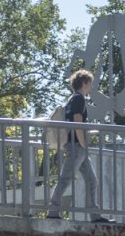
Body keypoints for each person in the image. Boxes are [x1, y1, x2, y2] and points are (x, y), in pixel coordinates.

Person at [47, 70, 113, 223]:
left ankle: (95, 216)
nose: (91, 87)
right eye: (90, 83)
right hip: (77, 146)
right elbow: (78, 123)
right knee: (65, 179)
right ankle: (53, 211)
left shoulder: (72, 99)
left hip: (76, 147)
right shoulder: (79, 99)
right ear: (84, 83)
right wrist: (84, 144)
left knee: (92, 180)